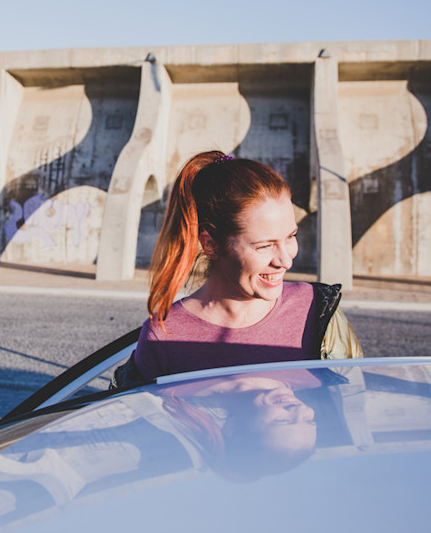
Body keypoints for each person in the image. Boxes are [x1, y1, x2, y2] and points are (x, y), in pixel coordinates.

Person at [115, 150, 362, 385]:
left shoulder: (318, 310)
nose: (285, 260)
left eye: (291, 236)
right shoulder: (166, 336)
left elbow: (353, 406)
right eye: (264, 246)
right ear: (210, 244)